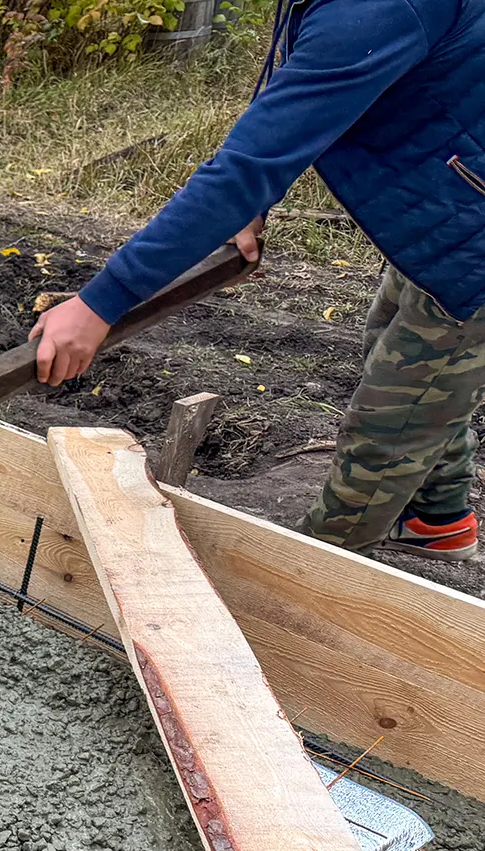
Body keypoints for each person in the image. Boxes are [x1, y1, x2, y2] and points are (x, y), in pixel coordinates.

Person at [31, 0, 485, 560]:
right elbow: (291, 80)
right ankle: (436, 519)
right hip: (452, 201)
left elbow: (245, 168)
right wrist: (255, 202)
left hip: (474, 227)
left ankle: (310, 579)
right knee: (407, 350)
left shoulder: (381, 7)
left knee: (399, 405)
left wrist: (100, 304)